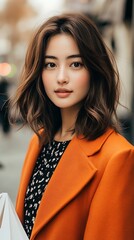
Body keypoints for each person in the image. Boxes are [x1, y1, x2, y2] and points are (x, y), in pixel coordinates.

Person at [11, 13, 134, 240]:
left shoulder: (118, 156)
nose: (61, 77)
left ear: (94, 71)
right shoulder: (39, 141)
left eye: (75, 64)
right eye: (50, 64)